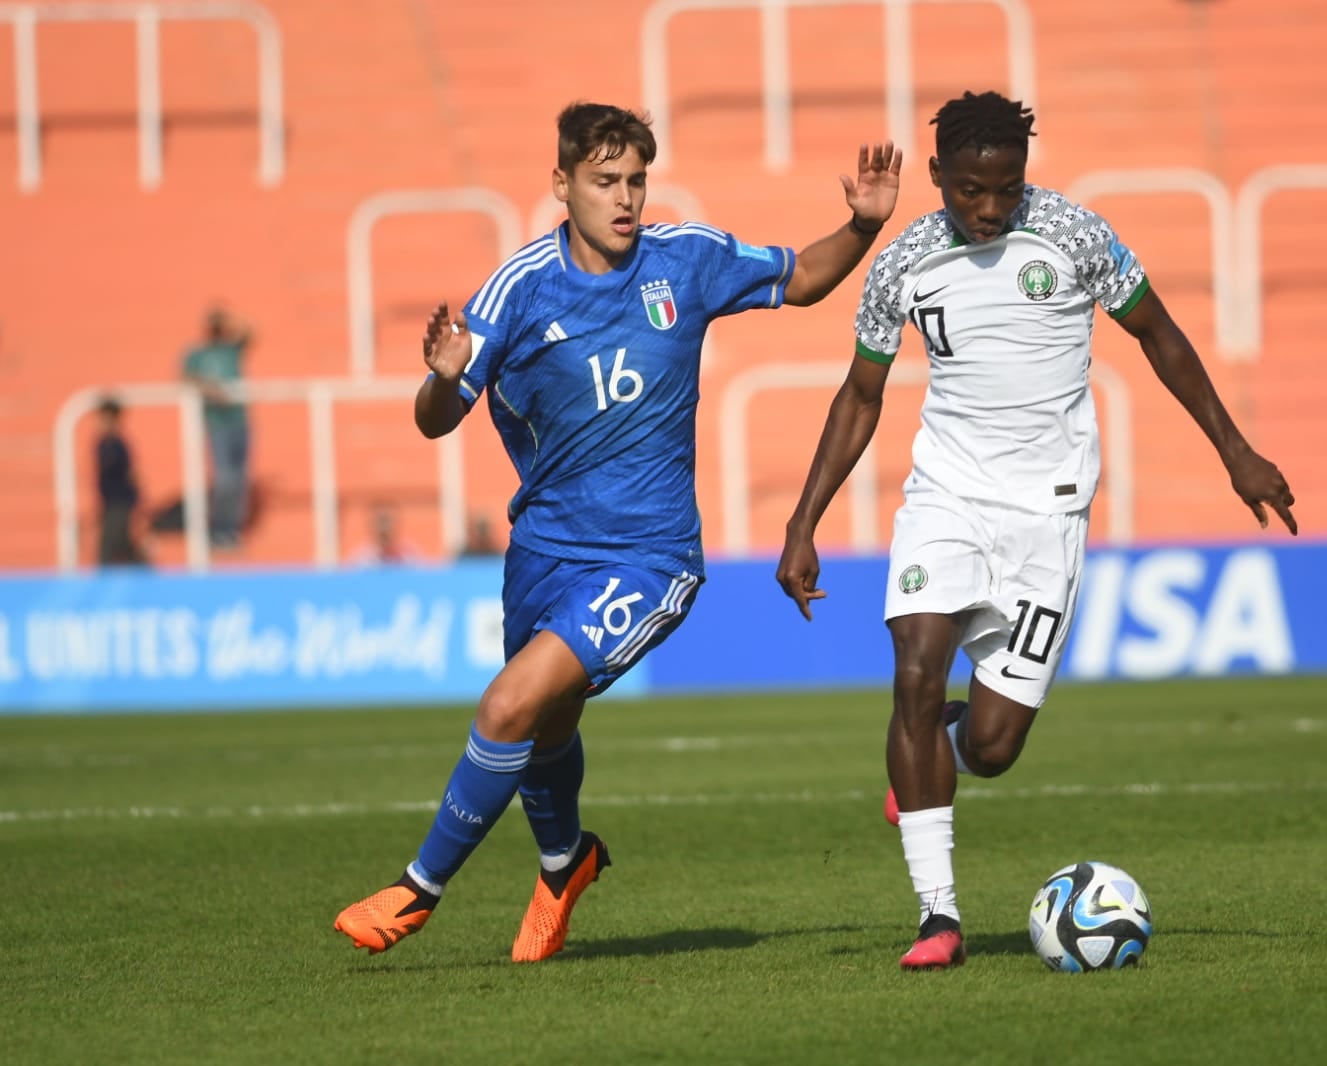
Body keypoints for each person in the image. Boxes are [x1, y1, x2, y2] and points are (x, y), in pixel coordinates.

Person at [333, 101, 903, 960]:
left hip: (650, 555)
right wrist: (441, 380)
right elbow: (436, 418)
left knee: (508, 704)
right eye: (605, 181)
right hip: (543, 551)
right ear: (560, 185)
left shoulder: (688, 261)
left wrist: (859, 227)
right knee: (547, 726)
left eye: (636, 179)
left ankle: (417, 891)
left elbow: (803, 277)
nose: (625, 197)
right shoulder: (519, 288)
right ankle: (565, 863)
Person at [775, 91, 1296, 971]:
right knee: (912, 670)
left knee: (992, 747)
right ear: (936, 175)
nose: (987, 209)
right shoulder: (902, 261)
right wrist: (802, 521)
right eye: (969, 191)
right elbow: (860, 394)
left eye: (1005, 191)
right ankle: (936, 917)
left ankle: (938, 748)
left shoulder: (1074, 235)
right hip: (943, 499)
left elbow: (1158, 335)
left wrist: (1234, 451)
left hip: (1046, 515)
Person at [180, 306, 253, 549]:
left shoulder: (231, 349)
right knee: (225, 478)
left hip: (239, 420)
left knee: (240, 478)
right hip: (217, 422)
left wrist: (230, 319)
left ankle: (231, 530)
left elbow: (252, 332)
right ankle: (217, 527)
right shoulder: (197, 354)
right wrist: (210, 388)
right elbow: (185, 376)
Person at [93, 397, 146, 566]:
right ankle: (146, 574)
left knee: (107, 547)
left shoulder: (118, 444)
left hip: (121, 502)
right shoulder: (101, 443)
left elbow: (131, 472)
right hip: (109, 503)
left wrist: (137, 500)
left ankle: (101, 581)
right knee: (124, 546)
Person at [347, 503, 425, 566]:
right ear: (370, 525)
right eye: (380, 521)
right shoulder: (360, 560)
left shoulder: (410, 556)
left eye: (387, 520)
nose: (384, 527)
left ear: (397, 524)